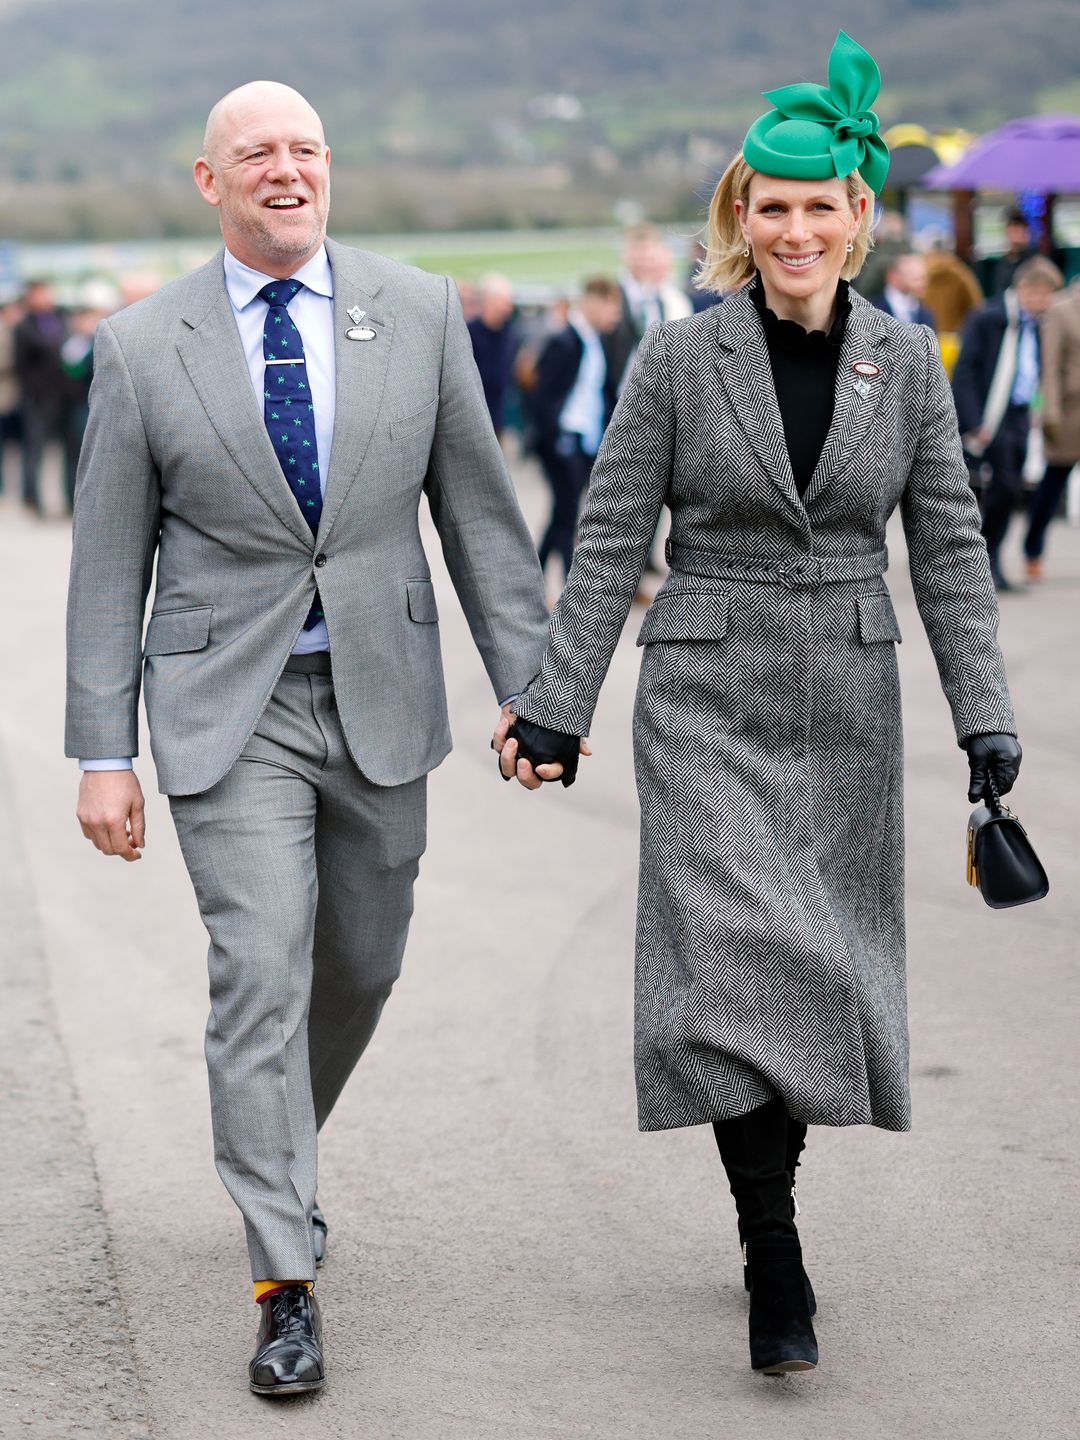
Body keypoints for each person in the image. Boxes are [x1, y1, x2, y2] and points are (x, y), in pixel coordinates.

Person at [494, 31, 1021, 1378]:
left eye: (817, 208)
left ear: (858, 218)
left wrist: (986, 721)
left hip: (848, 689)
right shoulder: (678, 361)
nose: (794, 229)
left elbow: (951, 552)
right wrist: (555, 704)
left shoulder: (905, 364)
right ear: (744, 217)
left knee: (815, 965)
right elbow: (610, 536)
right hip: (705, 690)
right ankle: (771, 1245)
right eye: (769, 207)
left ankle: (772, 1216)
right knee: (733, 967)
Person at [65, 81, 549, 1398]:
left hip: (382, 692)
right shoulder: (139, 347)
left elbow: (483, 524)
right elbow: (110, 568)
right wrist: (102, 755)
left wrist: (532, 686)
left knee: (364, 962)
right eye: (256, 154)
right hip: (232, 708)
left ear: (328, 170)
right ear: (209, 181)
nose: (287, 170)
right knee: (261, 972)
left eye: (306, 150)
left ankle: (267, 1140)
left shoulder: (422, 312)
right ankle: (286, 1274)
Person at [952, 255, 1064, 590]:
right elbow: (965, 373)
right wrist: (973, 422)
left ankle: (989, 559)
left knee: (1010, 489)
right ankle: (982, 560)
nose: (1047, 303)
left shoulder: (1037, 324)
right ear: (1026, 288)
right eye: (1044, 295)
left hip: (1018, 416)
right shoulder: (990, 318)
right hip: (991, 417)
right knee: (1005, 487)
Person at [532, 276, 623, 587]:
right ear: (593, 303)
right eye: (612, 308)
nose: (616, 316)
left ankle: (534, 581)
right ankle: (570, 587)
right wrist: (553, 439)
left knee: (563, 515)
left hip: (585, 441)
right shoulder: (565, 341)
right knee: (568, 516)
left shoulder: (595, 341)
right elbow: (542, 397)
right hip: (565, 441)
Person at [1023, 277, 1080, 579]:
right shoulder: (1061, 309)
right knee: (1053, 484)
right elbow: (1051, 364)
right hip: (1070, 415)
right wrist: (1051, 414)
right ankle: (1033, 549)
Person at [604, 226, 693, 394]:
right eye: (637, 253)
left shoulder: (660, 298)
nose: (643, 260)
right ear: (626, 255)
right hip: (617, 395)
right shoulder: (613, 294)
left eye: (647, 253)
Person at [14, 280, 77, 516]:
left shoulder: (61, 320)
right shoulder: (24, 327)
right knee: (35, 449)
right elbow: (22, 367)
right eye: (40, 293)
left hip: (64, 396)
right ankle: (33, 499)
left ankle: (69, 500)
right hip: (38, 398)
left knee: (70, 450)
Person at [466, 272, 518, 437]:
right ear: (489, 301)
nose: (509, 306)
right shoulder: (468, 333)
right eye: (504, 301)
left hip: (497, 418)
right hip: (472, 420)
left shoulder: (509, 333)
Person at [870, 253, 935, 328]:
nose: (923, 283)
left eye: (924, 278)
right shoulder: (872, 308)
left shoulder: (925, 313)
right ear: (893, 276)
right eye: (916, 279)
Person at [991, 209, 1037, 296]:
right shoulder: (1003, 262)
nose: (1014, 235)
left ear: (1026, 233)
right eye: (1011, 230)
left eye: (1018, 231)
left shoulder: (1035, 261)